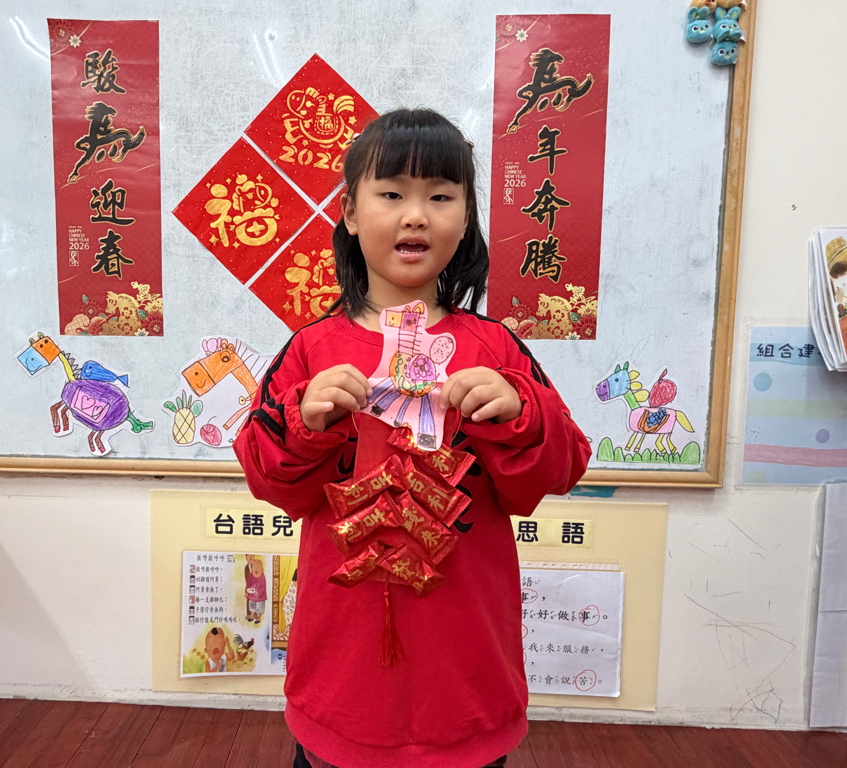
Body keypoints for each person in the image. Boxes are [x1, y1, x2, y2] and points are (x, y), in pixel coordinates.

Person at [234, 108, 591, 768]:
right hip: (340, 684)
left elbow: (562, 468)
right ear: (349, 212)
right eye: (392, 193)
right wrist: (306, 422)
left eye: (441, 197)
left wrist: (519, 412)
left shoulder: (495, 349)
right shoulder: (310, 350)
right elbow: (267, 478)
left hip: (467, 681)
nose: (416, 216)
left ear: (467, 215)